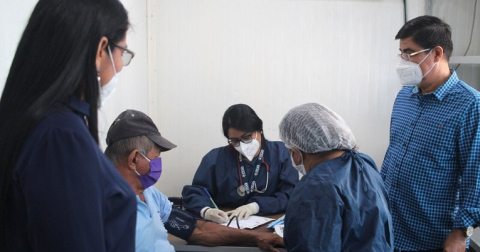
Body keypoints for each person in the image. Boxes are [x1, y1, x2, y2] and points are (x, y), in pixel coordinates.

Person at [0, 0, 137, 251]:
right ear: (101, 49)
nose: (120, 66)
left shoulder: (34, 122)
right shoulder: (61, 138)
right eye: (122, 53)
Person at [104, 109, 284, 252]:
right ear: (135, 159)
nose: (159, 163)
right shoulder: (104, 206)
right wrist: (206, 209)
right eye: (156, 157)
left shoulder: (151, 195)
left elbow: (197, 230)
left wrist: (255, 237)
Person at [381, 15, 480, 252]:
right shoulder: (404, 97)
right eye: (401, 54)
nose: (403, 61)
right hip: (388, 228)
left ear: (436, 53)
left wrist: (461, 233)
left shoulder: (470, 105)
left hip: (431, 237)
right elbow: (393, 156)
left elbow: (476, 177)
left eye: (410, 53)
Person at [279, 103, 393, 252]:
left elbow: (312, 245)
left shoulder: (314, 186)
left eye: (290, 152)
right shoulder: (364, 163)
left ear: (296, 152)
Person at [181, 104, 299, 224]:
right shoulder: (215, 159)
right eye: (235, 140)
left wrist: (255, 206)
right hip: (226, 224)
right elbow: (195, 193)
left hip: (270, 223)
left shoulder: (282, 154)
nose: (242, 145)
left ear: (260, 130)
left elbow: (289, 195)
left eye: (247, 137)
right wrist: (206, 211)